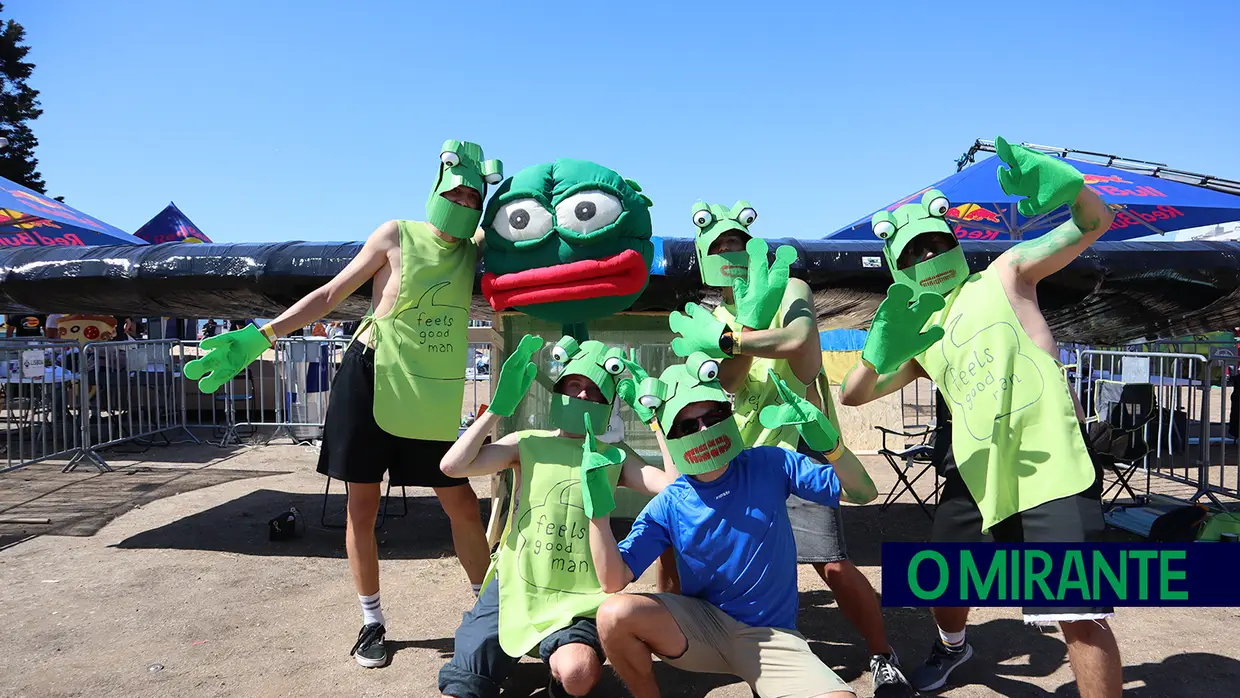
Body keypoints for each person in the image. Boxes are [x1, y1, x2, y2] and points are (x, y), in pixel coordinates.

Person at [184, 140, 504, 668]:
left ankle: (488, 614)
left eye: (474, 196)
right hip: (369, 380)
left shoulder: (476, 245)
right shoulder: (396, 234)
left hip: (431, 393)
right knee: (363, 505)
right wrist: (264, 335)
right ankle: (372, 622)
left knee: (463, 504)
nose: (464, 202)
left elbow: (527, 228)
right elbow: (331, 294)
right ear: (437, 188)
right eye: (456, 191)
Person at [839, 137, 1122, 697]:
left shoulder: (1007, 272)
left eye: (933, 245)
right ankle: (953, 648)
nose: (925, 258)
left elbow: (1093, 222)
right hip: (975, 475)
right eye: (912, 254)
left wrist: (1071, 189)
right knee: (946, 572)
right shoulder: (920, 338)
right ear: (899, 266)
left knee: (1079, 609)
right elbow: (852, 395)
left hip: (1051, 469)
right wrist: (877, 352)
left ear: (952, 243)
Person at [668, 202, 910, 694]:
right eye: (719, 246)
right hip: (731, 457)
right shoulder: (704, 318)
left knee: (834, 565)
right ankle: (695, 653)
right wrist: (739, 335)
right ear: (705, 257)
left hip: (800, 441)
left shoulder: (790, 289)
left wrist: (733, 337)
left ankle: (883, 654)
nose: (731, 252)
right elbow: (729, 385)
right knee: (684, 554)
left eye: (738, 242)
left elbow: (800, 341)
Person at [588, 352, 880, 698]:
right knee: (613, 615)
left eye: (713, 416)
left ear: (729, 416)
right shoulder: (669, 502)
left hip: (771, 637)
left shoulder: (771, 462)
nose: (704, 429)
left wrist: (832, 447)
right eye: (687, 425)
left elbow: (862, 492)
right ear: (672, 435)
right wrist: (598, 512)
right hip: (701, 627)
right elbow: (613, 579)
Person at [438, 335, 673, 698]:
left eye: (593, 391)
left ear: (608, 405)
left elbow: (673, 486)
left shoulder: (615, 457)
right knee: (462, 688)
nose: (581, 396)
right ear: (558, 392)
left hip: (578, 595)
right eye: (574, 385)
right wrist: (498, 410)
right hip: (516, 583)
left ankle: (558, 674)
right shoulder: (527, 441)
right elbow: (452, 467)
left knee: (578, 674)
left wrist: (656, 422)